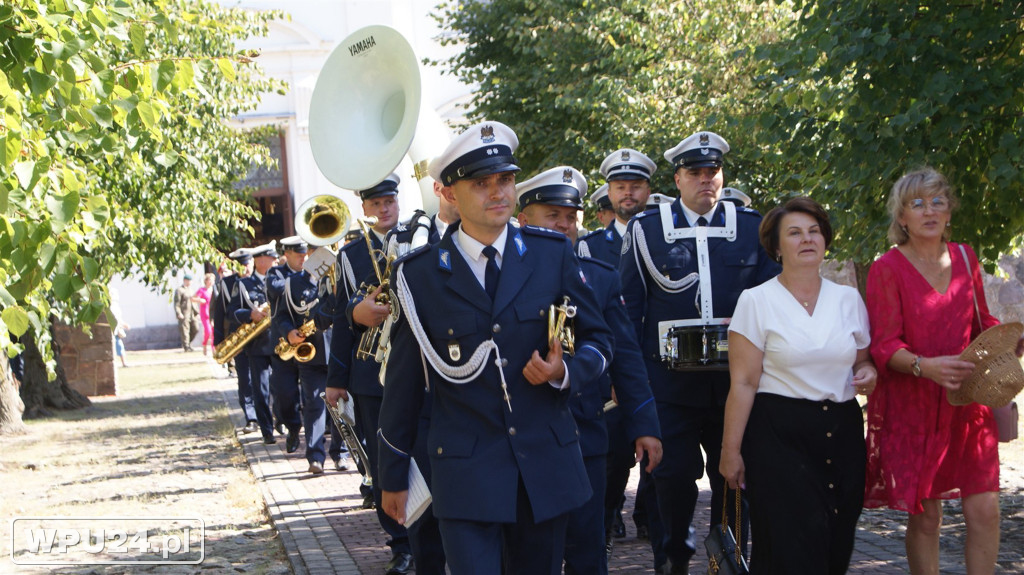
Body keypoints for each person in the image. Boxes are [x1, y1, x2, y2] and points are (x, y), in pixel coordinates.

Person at [376, 121, 614, 575]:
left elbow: (600, 341)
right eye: (480, 184)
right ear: (447, 194)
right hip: (465, 473)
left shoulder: (551, 254)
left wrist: (564, 373)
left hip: (545, 468)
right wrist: (392, 474)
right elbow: (403, 384)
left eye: (504, 180)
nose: (498, 192)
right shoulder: (419, 275)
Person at [619, 130, 780, 574]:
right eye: (695, 172)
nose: (706, 180)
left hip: (736, 385)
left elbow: (774, 303)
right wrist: (637, 388)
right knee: (671, 481)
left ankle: (728, 563)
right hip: (670, 386)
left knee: (735, 480)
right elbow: (629, 313)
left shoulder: (752, 227)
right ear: (678, 179)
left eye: (713, 171)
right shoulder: (647, 230)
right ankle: (673, 562)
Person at [864, 167, 1024, 575]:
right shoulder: (887, 268)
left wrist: (1008, 341)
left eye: (937, 201)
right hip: (915, 406)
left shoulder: (967, 256)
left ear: (949, 211)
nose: (928, 211)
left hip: (967, 401)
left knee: (986, 509)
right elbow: (884, 343)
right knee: (927, 517)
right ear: (901, 218)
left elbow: (981, 322)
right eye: (916, 204)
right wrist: (924, 366)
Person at [515, 166, 663, 575]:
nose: (565, 226)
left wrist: (644, 423)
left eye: (571, 217)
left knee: (587, 551)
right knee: (530, 555)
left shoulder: (598, 277)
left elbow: (625, 356)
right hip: (525, 441)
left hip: (584, 437)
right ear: (524, 219)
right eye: (553, 216)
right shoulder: (501, 277)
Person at [720, 197, 876, 574]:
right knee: (791, 547)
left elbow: (863, 360)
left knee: (836, 543)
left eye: (814, 231)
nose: (807, 239)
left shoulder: (848, 300)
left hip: (842, 432)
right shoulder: (756, 301)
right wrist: (730, 452)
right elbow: (742, 382)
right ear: (776, 246)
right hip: (778, 436)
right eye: (794, 233)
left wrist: (869, 372)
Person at [324, 173, 413, 575]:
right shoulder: (350, 255)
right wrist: (335, 379)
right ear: (364, 208)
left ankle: (429, 536)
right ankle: (400, 543)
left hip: (417, 367)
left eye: (390, 200)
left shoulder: (420, 239)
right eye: (376, 203)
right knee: (382, 461)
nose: (384, 208)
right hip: (369, 371)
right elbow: (343, 323)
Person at [231, 241, 279, 445]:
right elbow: (234, 311)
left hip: (279, 341)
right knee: (261, 389)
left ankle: (283, 421)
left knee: (282, 388)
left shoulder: (282, 279)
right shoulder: (243, 285)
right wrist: (251, 313)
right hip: (257, 345)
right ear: (260, 260)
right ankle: (267, 430)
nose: (275, 260)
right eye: (271, 258)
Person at [576, 148, 656, 266]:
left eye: (636, 187)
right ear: (609, 194)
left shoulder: (663, 239)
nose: (628, 193)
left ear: (648, 193)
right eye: (620, 187)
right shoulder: (589, 248)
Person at [267, 237, 308, 453]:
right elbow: (277, 289)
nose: (304, 258)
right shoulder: (276, 274)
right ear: (287, 255)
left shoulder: (310, 272)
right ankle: (293, 427)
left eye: (305, 254)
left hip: (308, 341)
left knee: (313, 393)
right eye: (299, 254)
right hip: (283, 342)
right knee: (285, 393)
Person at [173, 273, 200, 352]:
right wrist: (179, 313)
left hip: (192, 313)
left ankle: (188, 343)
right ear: (185, 280)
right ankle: (186, 347)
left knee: (196, 328)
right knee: (185, 330)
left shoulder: (191, 290)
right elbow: (176, 303)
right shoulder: (179, 290)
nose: (190, 282)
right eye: (188, 280)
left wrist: (197, 313)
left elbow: (194, 301)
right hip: (184, 313)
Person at [194, 273, 215, 356]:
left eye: (212, 280)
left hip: (212, 313)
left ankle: (213, 349)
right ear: (206, 281)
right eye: (210, 280)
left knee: (213, 332)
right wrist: (200, 300)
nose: (211, 282)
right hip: (205, 313)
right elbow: (193, 298)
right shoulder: (202, 290)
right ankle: (205, 344)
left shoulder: (214, 290)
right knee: (208, 331)